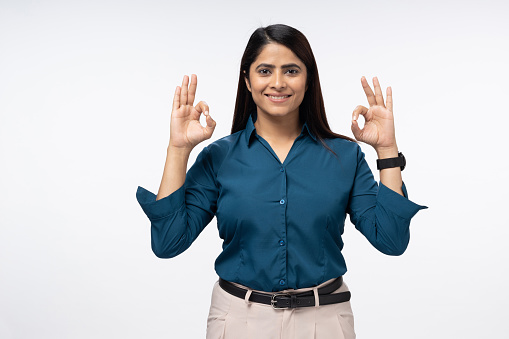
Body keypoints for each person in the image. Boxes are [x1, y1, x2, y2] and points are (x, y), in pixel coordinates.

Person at [136, 24, 427, 339]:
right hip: (238, 323)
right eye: (264, 70)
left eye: (291, 70)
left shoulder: (345, 157)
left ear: (308, 79)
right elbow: (168, 242)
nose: (277, 83)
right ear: (247, 80)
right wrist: (178, 149)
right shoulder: (219, 157)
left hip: (324, 322)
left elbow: (391, 239)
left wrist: (386, 150)